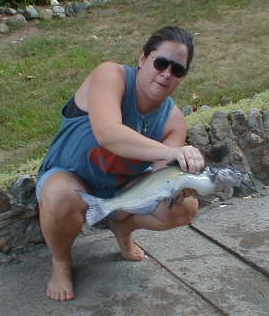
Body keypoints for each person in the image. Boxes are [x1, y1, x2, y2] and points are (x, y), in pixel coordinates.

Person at [36, 25, 205, 301]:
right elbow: (108, 134)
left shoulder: (174, 121)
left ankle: (122, 228)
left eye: (177, 70)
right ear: (142, 58)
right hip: (67, 176)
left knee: (183, 207)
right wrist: (169, 152)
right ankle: (62, 263)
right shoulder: (111, 75)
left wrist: (181, 185)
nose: (166, 73)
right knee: (60, 195)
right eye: (161, 63)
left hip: (122, 193)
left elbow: (161, 178)